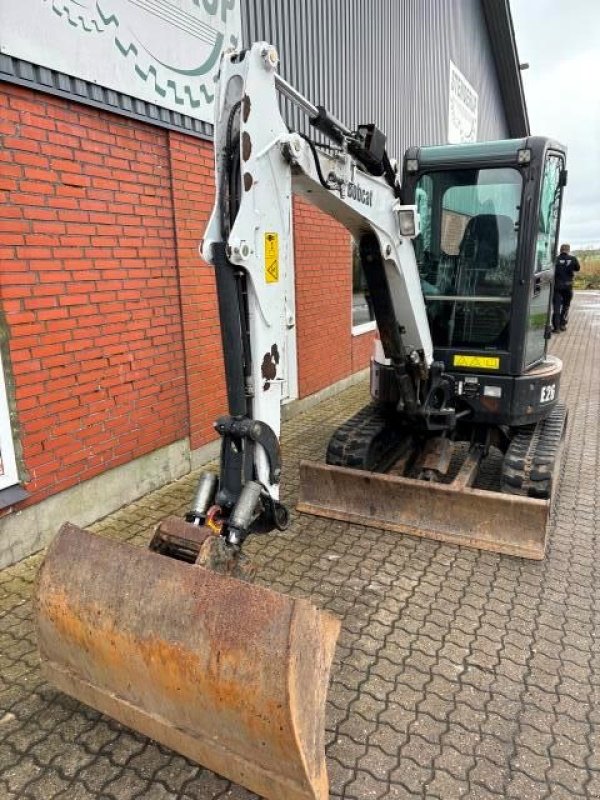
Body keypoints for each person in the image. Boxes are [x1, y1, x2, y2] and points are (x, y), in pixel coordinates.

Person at [552, 243, 580, 332]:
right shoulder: (573, 259)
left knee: (556, 307)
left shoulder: (555, 259)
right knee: (566, 306)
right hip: (568, 286)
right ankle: (562, 325)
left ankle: (556, 328)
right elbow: (577, 268)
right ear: (568, 250)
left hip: (557, 287)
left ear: (560, 250)